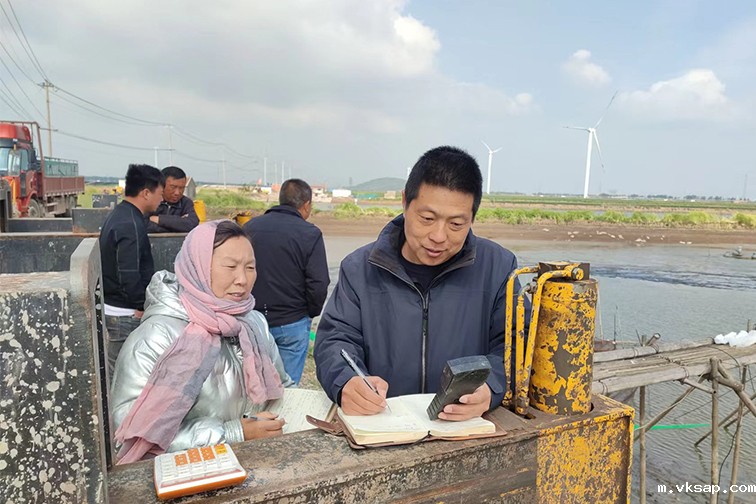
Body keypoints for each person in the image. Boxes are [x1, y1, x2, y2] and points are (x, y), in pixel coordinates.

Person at [314, 146, 527, 421]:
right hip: (384, 424)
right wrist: (346, 381)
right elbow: (335, 339)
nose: (438, 236)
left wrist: (491, 386)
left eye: (456, 224)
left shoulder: (499, 268)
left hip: (465, 428)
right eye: (427, 219)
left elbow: (515, 345)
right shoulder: (360, 269)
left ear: (473, 217)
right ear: (405, 202)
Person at [111, 220, 293, 464]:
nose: (242, 279)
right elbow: (127, 432)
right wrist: (233, 434)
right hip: (192, 473)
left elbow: (282, 385)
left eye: (250, 267)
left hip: (255, 463)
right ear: (197, 267)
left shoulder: (253, 322)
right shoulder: (157, 337)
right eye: (230, 267)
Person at [243, 179, 329, 384]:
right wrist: (311, 312)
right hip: (292, 321)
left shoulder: (249, 228)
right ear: (306, 205)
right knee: (286, 389)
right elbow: (318, 283)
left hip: (251, 319)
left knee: (252, 385)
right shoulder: (309, 233)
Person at [100, 164, 164, 380]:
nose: (161, 199)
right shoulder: (130, 223)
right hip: (124, 314)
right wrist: (140, 305)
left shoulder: (121, 214)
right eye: (160, 194)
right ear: (146, 193)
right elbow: (127, 273)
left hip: (117, 309)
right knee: (124, 378)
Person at [146, 165, 200, 233]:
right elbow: (143, 225)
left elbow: (192, 224)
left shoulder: (186, 203)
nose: (177, 193)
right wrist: (178, 225)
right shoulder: (149, 201)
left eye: (181, 188)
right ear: (161, 185)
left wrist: (159, 219)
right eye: (173, 187)